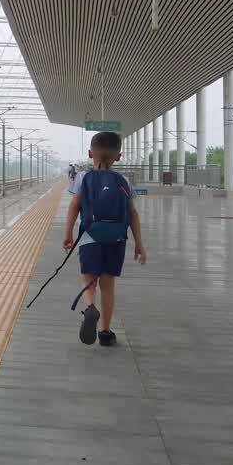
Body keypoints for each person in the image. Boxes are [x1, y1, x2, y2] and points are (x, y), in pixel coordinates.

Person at [61, 132, 146, 346]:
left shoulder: (82, 177)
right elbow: (132, 213)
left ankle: (90, 308)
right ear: (118, 157)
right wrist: (139, 244)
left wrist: (68, 233)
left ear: (91, 154)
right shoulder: (123, 180)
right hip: (116, 239)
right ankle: (106, 333)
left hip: (90, 238)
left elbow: (74, 207)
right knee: (108, 285)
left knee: (89, 280)